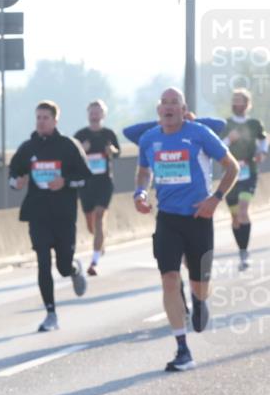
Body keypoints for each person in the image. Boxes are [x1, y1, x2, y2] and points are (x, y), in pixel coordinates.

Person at [133, 88, 239, 371]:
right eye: (164, 103)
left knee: (199, 283)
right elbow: (143, 171)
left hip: (198, 216)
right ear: (158, 110)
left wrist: (215, 199)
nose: (169, 107)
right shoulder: (149, 139)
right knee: (169, 278)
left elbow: (232, 167)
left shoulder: (199, 134)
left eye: (174, 103)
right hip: (167, 218)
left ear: (183, 109)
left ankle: (199, 301)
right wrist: (140, 192)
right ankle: (182, 349)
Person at [8, 100, 93, 332]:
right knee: (43, 263)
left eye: (45, 118)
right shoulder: (28, 148)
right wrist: (17, 182)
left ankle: (74, 270)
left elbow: (85, 177)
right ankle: (50, 314)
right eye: (38, 117)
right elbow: (13, 175)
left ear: (55, 120)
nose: (41, 122)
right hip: (38, 214)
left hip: (64, 215)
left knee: (63, 267)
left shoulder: (68, 146)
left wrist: (65, 181)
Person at [220, 88, 267, 271]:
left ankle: (244, 253)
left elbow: (263, 140)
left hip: (249, 171)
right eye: (234, 100)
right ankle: (241, 249)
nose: (236, 103)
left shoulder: (254, 124)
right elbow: (218, 147)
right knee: (235, 218)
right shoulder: (226, 124)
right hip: (230, 173)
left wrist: (262, 152)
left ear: (247, 104)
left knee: (243, 210)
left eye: (239, 100)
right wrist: (229, 140)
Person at [74, 100, 120, 276]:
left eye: (97, 112)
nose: (94, 115)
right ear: (88, 114)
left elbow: (117, 152)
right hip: (86, 183)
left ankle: (94, 262)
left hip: (104, 182)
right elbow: (71, 157)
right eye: (92, 112)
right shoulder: (80, 135)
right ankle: (100, 242)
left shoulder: (108, 134)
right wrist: (82, 151)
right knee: (91, 224)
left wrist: (112, 151)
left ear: (103, 114)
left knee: (100, 216)